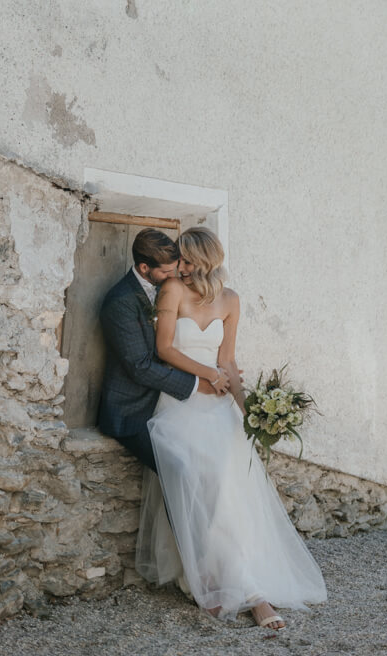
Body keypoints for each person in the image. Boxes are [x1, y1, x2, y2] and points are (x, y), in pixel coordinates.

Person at [135, 227, 327, 630]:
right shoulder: (172, 292)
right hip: (180, 406)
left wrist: (253, 413)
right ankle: (228, 583)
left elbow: (228, 361)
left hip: (221, 410)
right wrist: (207, 376)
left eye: (185, 261)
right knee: (203, 484)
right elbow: (164, 349)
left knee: (232, 490)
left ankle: (250, 589)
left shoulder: (230, 300)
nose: (178, 268)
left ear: (203, 262)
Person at [97, 228, 227, 473]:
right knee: (180, 469)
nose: (174, 275)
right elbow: (140, 367)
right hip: (131, 413)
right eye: (167, 271)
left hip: (165, 403)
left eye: (175, 268)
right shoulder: (120, 302)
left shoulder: (163, 288)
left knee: (207, 463)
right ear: (145, 268)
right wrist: (199, 383)